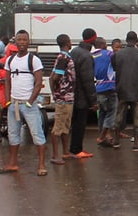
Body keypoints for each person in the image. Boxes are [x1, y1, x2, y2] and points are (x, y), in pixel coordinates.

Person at [0, 30, 46, 176]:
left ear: (28, 42)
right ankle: (12, 163)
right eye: (19, 40)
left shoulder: (34, 60)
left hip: (28, 104)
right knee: (13, 134)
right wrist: (8, 100)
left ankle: (41, 165)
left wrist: (30, 101)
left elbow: (38, 82)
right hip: (14, 104)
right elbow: (8, 81)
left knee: (37, 134)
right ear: (15, 42)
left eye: (24, 40)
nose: (22, 42)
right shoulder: (10, 60)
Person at [68, 28, 98, 159]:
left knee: (74, 124)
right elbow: (88, 81)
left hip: (71, 93)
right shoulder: (86, 56)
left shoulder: (74, 51)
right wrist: (93, 101)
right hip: (81, 97)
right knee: (80, 124)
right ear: (93, 39)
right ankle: (76, 150)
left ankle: (72, 148)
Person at [48, 34, 75, 166]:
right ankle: (55, 155)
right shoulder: (64, 58)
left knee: (65, 125)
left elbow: (51, 76)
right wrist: (58, 92)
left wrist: (55, 93)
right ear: (67, 43)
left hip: (67, 97)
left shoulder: (62, 57)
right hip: (64, 97)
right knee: (58, 127)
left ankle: (65, 151)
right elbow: (55, 77)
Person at [92, 36, 117, 146]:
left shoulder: (91, 56)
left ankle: (103, 135)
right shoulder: (109, 54)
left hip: (98, 87)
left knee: (102, 113)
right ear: (103, 45)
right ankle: (102, 136)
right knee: (111, 112)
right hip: (110, 87)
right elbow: (117, 66)